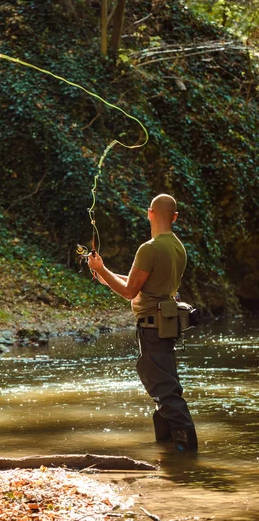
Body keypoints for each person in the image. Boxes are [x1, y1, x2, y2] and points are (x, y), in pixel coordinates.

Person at [87, 193, 198, 451]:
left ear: (149, 213)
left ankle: (187, 457)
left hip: (152, 328)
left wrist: (101, 270)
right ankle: (172, 457)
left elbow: (129, 292)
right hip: (166, 327)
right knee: (164, 393)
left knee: (166, 393)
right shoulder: (178, 247)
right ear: (174, 217)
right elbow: (140, 284)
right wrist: (104, 272)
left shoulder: (149, 248)